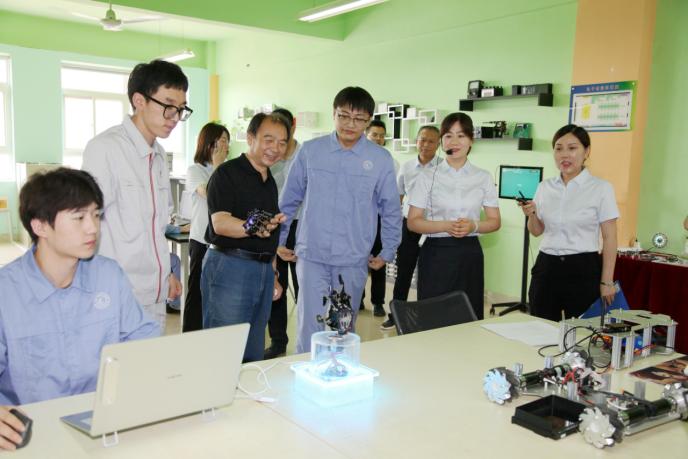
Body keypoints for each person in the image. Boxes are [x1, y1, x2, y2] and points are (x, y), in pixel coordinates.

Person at [0, 168, 159, 413]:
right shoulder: (7, 292)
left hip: (101, 415)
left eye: (96, 215)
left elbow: (143, 339)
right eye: (79, 217)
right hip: (31, 425)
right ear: (40, 226)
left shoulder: (108, 275)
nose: (93, 228)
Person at [278, 87, 402, 353]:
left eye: (359, 119)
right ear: (333, 114)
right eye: (343, 116)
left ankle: (340, 371)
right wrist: (278, 239)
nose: (350, 124)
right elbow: (289, 200)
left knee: (343, 325)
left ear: (368, 121)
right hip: (312, 253)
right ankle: (306, 369)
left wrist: (388, 250)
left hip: (352, 256)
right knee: (309, 323)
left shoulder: (380, 159)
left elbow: (391, 209)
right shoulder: (311, 151)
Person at [82, 59, 190, 331]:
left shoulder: (159, 155)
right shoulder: (105, 149)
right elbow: (86, 224)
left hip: (154, 293)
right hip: (115, 294)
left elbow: (155, 228)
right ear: (139, 101)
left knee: (150, 358)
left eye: (181, 109)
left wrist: (166, 273)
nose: (175, 117)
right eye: (168, 106)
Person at [202, 112, 288, 362]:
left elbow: (270, 233)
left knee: (253, 350)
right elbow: (220, 223)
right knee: (225, 350)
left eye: (282, 143)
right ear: (251, 138)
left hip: (262, 270)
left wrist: (273, 275)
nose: (275, 148)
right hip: (231, 266)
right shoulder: (227, 174)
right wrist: (253, 227)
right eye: (268, 140)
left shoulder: (269, 181)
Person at [519, 124, 618, 321]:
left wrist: (607, 281)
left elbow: (610, 237)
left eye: (572, 148)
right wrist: (532, 215)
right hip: (546, 267)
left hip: (583, 268)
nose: (564, 155)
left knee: (582, 331)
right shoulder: (545, 187)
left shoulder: (601, 188)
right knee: (540, 326)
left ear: (586, 151)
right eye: (559, 148)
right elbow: (536, 231)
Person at [407, 112, 500, 320]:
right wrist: (446, 225)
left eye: (461, 136)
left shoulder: (483, 177)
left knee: (468, 316)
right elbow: (413, 222)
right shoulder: (426, 176)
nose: (454, 142)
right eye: (448, 136)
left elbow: (495, 222)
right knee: (433, 317)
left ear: (471, 140)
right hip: (436, 254)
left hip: (470, 254)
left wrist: (473, 226)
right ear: (442, 141)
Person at [381, 125, 442, 330]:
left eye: (431, 141)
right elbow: (398, 197)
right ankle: (396, 315)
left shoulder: (444, 168)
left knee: (430, 273)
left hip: (434, 228)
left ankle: (427, 315)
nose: (426, 145)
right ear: (416, 141)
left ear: (438, 144)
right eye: (422, 140)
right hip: (409, 227)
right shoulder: (406, 167)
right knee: (403, 273)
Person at [183, 123, 230, 332]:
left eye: (227, 141)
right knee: (197, 293)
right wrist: (218, 166)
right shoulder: (195, 170)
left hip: (223, 243)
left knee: (218, 294)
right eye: (222, 141)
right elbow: (212, 194)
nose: (226, 146)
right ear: (209, 143)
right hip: (201, 240)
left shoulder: (228, 170)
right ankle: (190, 336)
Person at [265, 108, 301, 359]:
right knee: (276, 285)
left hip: (302, 227)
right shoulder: (270, 159)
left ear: (293, 126)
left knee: (304, 287)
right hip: (274, 226)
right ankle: (278, 341)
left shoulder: (306, 155)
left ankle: (307, 340)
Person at [363, 119, 392, 317]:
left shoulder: (389, 161)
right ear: (366, 135)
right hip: (358, 221)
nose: (378, 138)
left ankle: (378, 302)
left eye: (382, 135)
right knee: (357, 260)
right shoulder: (356, 158)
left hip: (379, 220)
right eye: (374, 134)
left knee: (378, 261)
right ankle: (357, 299)